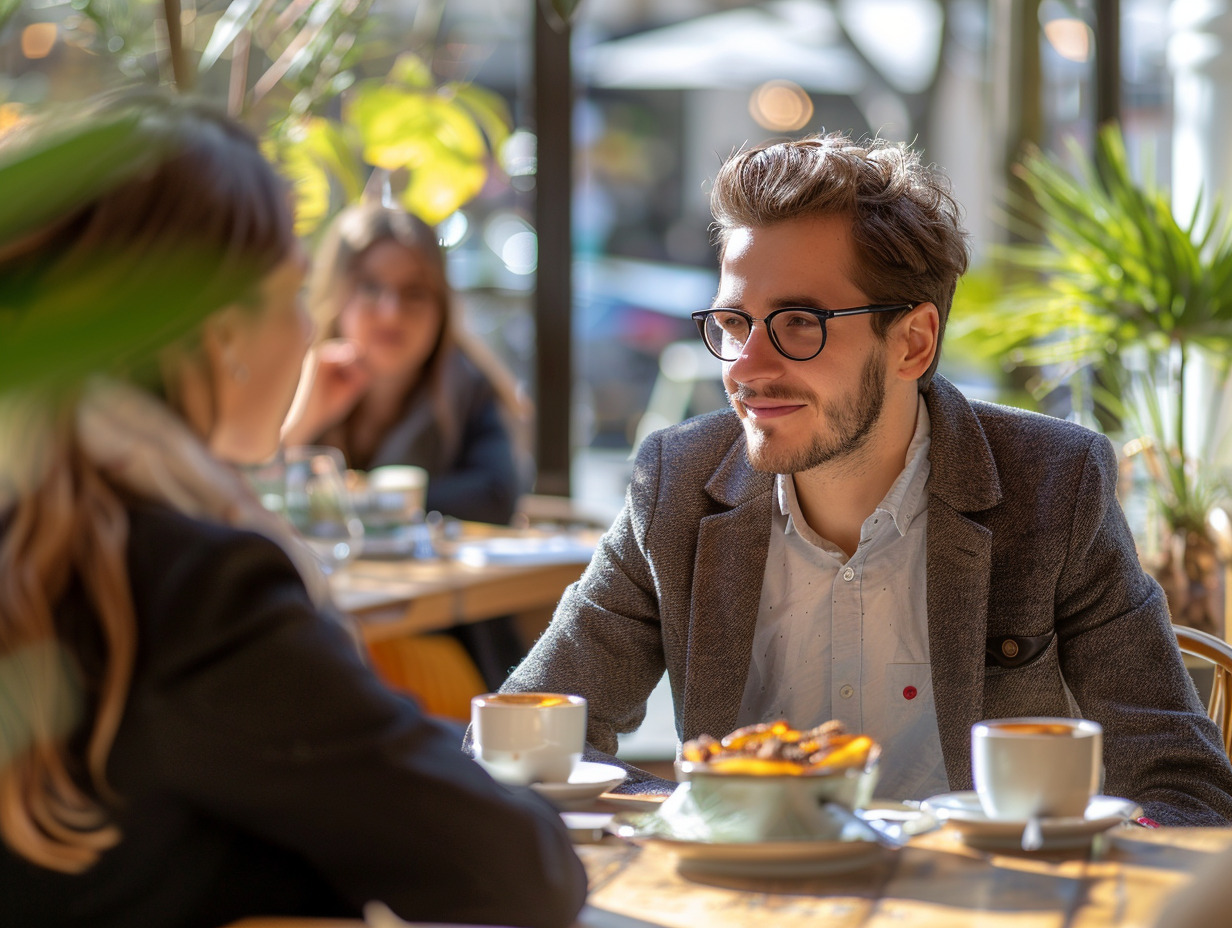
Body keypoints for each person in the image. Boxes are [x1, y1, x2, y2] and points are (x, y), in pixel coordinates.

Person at [498, 132, 1232, 824]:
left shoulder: (1052, 487)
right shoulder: (677, 485)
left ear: (912, 343)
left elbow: (1183, 789)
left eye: (796, 323)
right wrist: (714, 820)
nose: (745, 368)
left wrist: (1067, 863)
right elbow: (519, 743)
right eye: (732, 322)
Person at [0, 93, 585, 928]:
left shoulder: (43, 518)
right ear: (214, 328)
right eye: (289, 288)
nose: (307, 327)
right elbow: (518, 870)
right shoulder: (193, 589)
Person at [285, 202, 530, 526]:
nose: (391, 312)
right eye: (371, 287)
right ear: (336, 295)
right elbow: (243, 494)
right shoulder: (291, 375)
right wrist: (300, 425)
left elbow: (495, 498)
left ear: (441, 308)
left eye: (414, 292)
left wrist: (366, 498)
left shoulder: (469, 389)